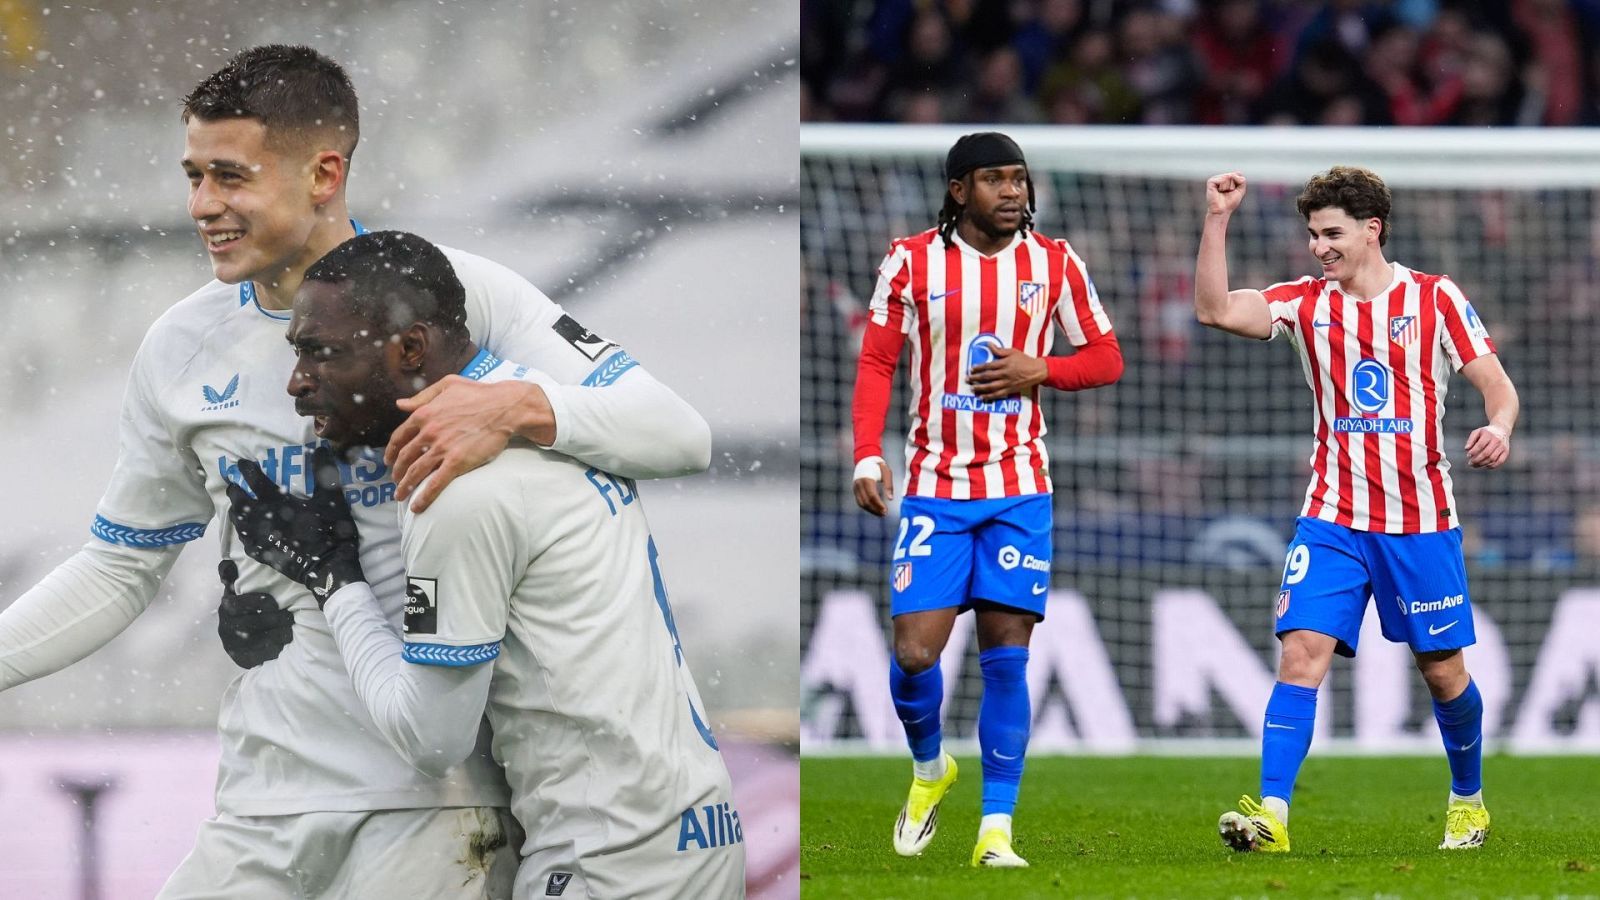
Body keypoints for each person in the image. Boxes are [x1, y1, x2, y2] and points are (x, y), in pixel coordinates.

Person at [0, 45, 710, 897]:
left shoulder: (453, 292)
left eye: (229, 177)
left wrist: (516, 405)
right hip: (263, 797)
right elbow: (120, 568)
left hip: (436, 806)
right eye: (193, 176)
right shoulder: (178, 348)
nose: (202, 207)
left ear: (324, 172)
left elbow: (676, 431)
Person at [226, 230, 745, 899]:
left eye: (319, 354)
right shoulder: (539, 396)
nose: (297, 381)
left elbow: (430, 737)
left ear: (409, 348)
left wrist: (333, 577)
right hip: (695, 825)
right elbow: (677, 434)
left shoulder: (457, 487)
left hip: (607, 859)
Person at [1195, 167, 1517, 852]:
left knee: (1444, 673)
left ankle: (1468, 801)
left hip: (1419, 521)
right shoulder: (1306, 304)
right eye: (1313, 235)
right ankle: (1272, 817)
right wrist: (1217, 219)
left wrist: (1500, 426)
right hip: (1333, 517)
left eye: (1332, 233)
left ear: (1373, 230)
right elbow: (1217, 309)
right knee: (1300, 655)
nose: (1319, 248)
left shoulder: (1435, 299)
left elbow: (1498, 387)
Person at [850, 132, 1123, 868]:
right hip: (935, 489)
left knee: (1008, 657)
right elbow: (878, 360)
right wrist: (867, 453)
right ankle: (931, 767)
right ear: (958, 189)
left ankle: (995, 832)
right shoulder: (910, 261)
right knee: (914, 655)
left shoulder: (1056, 262)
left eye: (1020, 179)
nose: (1013, 192)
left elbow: (1106, 358)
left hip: (1019, 489)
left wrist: (1045, 369)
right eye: (996, 179)